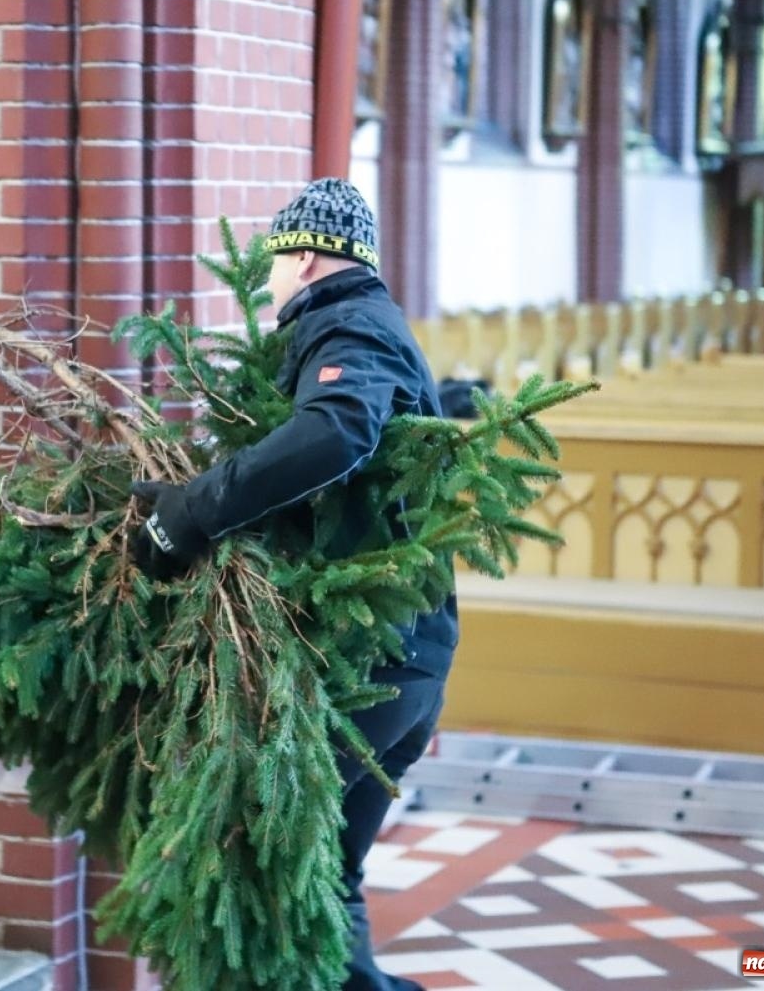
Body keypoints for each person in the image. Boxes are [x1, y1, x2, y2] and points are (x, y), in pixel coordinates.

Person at [129, 177, 457, 991]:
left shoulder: (349, 324)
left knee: (268, 871)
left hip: (372, 656)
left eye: (275, 262)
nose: (269, 281)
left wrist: (190, 515)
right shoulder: (365, 323)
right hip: (400, 652)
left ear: (305, 256)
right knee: (324, 881)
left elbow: (336, 432)